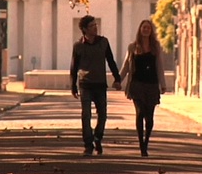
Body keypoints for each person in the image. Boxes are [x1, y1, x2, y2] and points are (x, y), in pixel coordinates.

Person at [70, 15, 122, 156]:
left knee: (103, 115)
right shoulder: (78, 46)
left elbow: (110, 61)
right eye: (92, 26)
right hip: (85, 84)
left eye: (95, 25)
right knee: (86, 115)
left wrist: (117, 78)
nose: (95, 27)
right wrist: (73, 86)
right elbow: (74, 67)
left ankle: (98, 138)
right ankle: (88, 144)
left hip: (100, 84)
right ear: (85, 29)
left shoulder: (103, 42)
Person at [119, 19, 167, 157]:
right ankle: (142, 146)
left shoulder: (156, 47)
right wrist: (118, 80)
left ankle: (146, 141)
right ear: (140, 30)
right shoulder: (133, 47)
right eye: (143, 27)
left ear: (151, 31)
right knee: (140, 113)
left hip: (151, 85)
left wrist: (162, 84)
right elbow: (126, 67)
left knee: (149, 117)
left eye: (148, 28)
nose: (146, 30)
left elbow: (159, 66)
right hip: (137, 85)